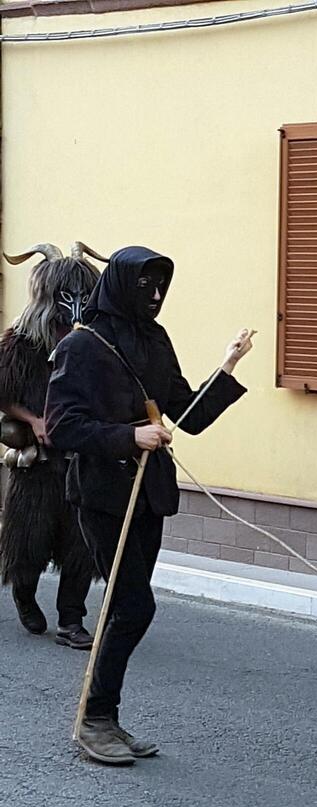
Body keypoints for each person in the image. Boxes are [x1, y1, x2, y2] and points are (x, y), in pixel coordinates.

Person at [45, 246, 255, 765]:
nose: (157, 297)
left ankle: (106, 720)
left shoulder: (155, 340)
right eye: (147, 287)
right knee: (135, 606)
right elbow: (62, 426)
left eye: (162, 287)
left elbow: (187, 415)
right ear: (120, 285)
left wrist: (227, 367)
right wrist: (128, 436)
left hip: (149, 495)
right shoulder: (82, 346)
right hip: (104, 497)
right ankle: (95, 720)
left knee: (124, 608)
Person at [0, 242, 103, 648]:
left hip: (84, 460)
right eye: (67, 294)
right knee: (29, 541)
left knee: (81, 544)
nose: (75, 304)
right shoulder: (22, 344)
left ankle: (71, 620)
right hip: (38, 465)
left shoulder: (96, 344)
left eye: (82, 295)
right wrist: (34, 419)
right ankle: (24, 595)